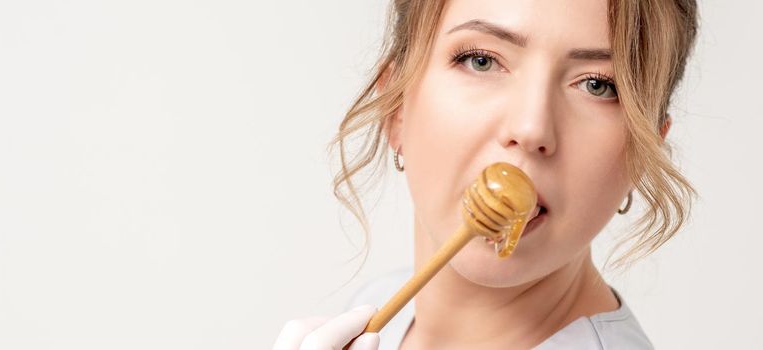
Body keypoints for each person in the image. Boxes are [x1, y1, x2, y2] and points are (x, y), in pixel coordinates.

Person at [272, 0, 699, 348]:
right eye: (481, 60)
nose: (531, 128)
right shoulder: (376, 310)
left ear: (643, 153)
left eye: (598, 85)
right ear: (396, 108)